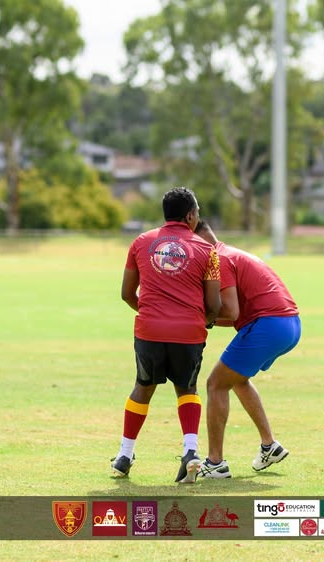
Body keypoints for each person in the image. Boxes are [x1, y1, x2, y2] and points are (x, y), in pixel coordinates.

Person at [111, 187, 221, 484]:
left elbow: (126, 294)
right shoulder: (207, 250)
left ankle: (124, 455)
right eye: (197, 213)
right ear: (189, 216)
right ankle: (191, 452)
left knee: (143, 387)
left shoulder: (141, 242)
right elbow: (216, 305)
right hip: (188, 332)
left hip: (149, 330)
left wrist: (151, 313)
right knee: (187, 389)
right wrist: (201, 321)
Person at [192, 221, 301, 479]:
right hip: (290, 324)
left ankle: (215, 463)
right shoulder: (230, 252)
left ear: (198, 239)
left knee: (215, 384)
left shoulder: (217, 259)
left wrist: (198, 317)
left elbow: (231, 311)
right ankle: (269, 445)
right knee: (237, 379)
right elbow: (234, 316)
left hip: (270, 324)